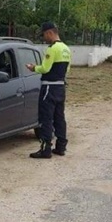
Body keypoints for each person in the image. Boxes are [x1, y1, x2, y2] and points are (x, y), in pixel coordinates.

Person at [26, 22, 72, 159]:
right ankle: (61, 147)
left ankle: (45, 149)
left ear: (50, 33)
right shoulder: (66, 48)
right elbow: (68, 69)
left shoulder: (52, 49)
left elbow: (45, 68)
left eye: (44, 35)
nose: (44, 38)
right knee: (59, 117)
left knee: (46, 118)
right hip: (60, 87)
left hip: (49, 87)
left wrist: (33, 68)